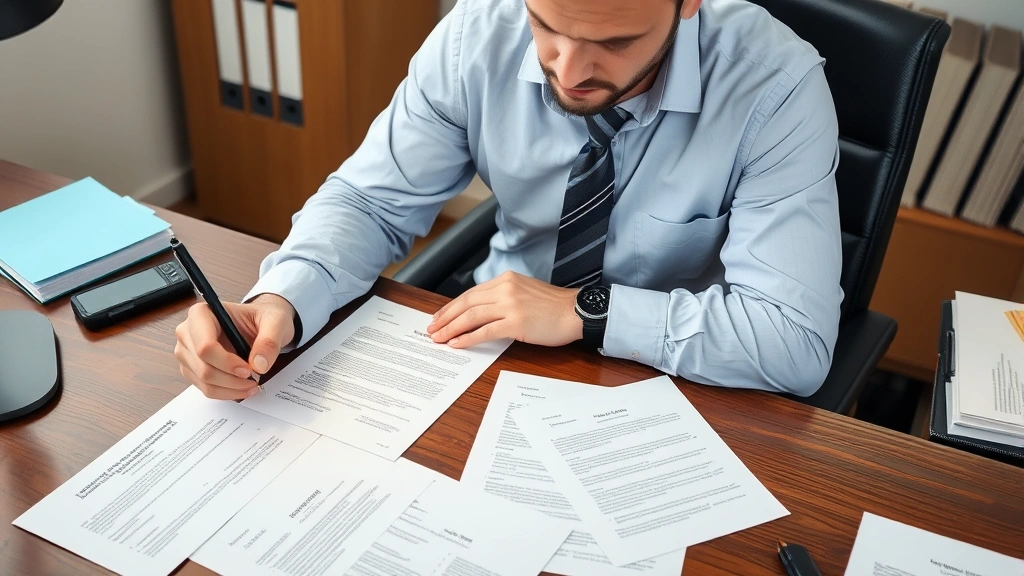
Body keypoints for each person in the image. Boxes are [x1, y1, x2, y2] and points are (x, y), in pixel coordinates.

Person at [174, 0, 843, 402]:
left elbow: (794, 342)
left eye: (613, 43)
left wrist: (584, 312)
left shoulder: (776, 90)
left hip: (675, 382)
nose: (571, 72)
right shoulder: (479, 31)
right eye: (548, 24)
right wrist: (279, 301)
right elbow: (369, 202)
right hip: (488, 349)